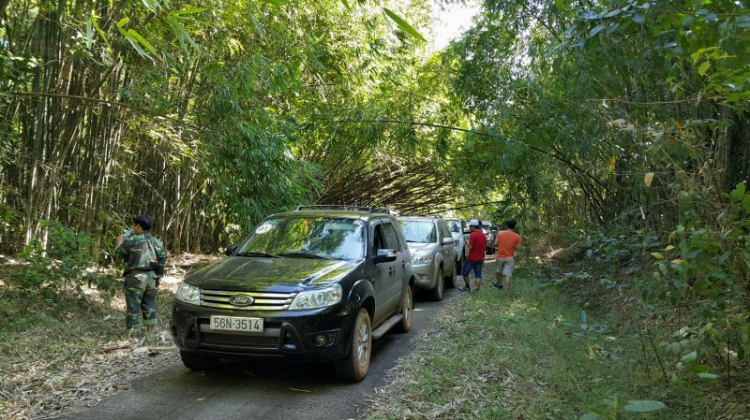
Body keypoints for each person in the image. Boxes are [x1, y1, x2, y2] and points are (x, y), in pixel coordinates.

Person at [115, 215, 166, 332]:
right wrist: (158, 277)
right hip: (151, 277)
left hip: (136, 277)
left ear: (138, 226)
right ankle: (150, 331)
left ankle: (132, 333)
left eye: (133, 225)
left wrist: (120, 242)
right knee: (150, 304)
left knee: (133, 306)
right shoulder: (157, 242)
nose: (133, 228)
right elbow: (162, 261)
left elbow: (120, 253)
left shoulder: (133, 241)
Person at [493, 219, 522, 291]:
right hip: (510, 257)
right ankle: (507, 291)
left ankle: (499, 284)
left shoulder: (500, 233)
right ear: (514, 226)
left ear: (507, 225)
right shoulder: (517, 236)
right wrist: (513, 245)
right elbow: (519, 248)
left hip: (500, 256)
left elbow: (495, 244)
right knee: (508, 275)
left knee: (499, 271)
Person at [458, 220, 487, 292]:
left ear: (473, 226)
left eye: (470, 226)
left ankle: (467, 287)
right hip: (480, 258)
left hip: (472, 258)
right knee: (478, 274)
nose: (469, 228)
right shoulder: (483, 235)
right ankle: (477, 290)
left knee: (464, 272)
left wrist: (467, 242)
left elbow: (470, 247)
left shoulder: (473, 235)